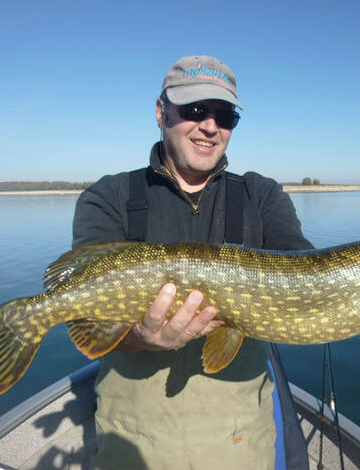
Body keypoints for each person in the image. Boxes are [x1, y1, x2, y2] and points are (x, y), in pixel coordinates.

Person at [72, 55, 313, 470]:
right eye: (196, 110)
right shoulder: (108, 197)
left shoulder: (262, 196)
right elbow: (85, 318)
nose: (210, 126)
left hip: (240, 446)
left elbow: (309, 277)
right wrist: (138, 336)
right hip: (133, 445)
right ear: (161, 111)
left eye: (225, 115)